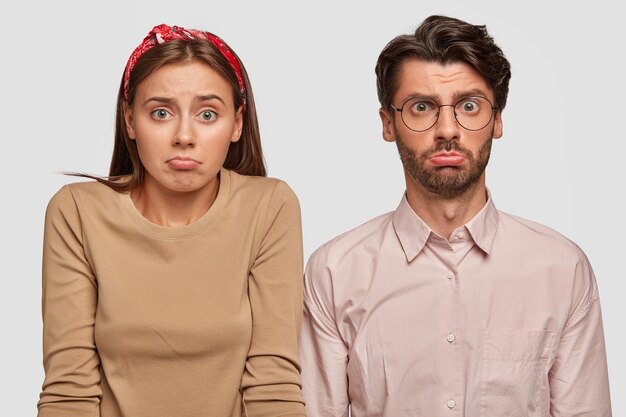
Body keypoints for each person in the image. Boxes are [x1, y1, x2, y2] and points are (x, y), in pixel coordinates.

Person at [299, 15, 611, 416]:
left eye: (469, 105)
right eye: (422, 107)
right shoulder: (334, 273)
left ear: (497, 119)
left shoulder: (562, 270)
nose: (447, 128)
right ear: (388, 123)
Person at [38, 24, 305, 417]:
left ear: (236, 123)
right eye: (161, 112)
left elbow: (274, 386)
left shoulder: (269, 207)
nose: (184, 135)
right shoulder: (77, 212)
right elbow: (68, 393)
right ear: (130, 120)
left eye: (208, 114)